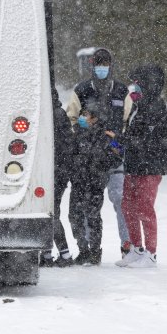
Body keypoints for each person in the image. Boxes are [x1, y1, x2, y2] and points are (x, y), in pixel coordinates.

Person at [65, 48, 131, 258]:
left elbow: (129, 122)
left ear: (111, 66)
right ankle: (88, 249)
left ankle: (127, 246)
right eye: (98, 64)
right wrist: (79, 128)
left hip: (114, 153)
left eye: (105, 64)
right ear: (92, 66)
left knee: (120, 199)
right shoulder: (82, 90)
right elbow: (70, 118)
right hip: (90, 156)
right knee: (87, 204)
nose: (102, 68)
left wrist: (118, 140)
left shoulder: (121, 91)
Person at [116, 64, 167, 269]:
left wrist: (122, 142)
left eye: (138, 84)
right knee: (127, 205)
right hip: (134, 165)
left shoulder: (156, 107)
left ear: (149, 84)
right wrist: (115, 142)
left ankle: (151, 254)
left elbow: (144, 140)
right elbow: (131, 136)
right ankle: (136, 248)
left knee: (144, 208)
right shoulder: (138, 107)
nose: (134, 88)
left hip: (150, 167)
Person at [66, 102, 124, 265]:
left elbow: (118, 155)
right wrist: (74, 166)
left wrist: (101, 165)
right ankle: (83, 250)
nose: (83, 117)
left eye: (87, 115)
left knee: (93, 217)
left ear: (95, 118)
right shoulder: (77, 133)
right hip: (78, 181)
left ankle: (95, 252)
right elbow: (69, 154)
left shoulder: (107, 136)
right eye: (82, 114)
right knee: (74, 216)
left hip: (95, 183)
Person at [42, 85, 80, 267]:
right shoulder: (58, 113)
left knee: (51, 213)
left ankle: (63, 255)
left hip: (54, 172)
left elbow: (57, 147)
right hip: (60, 171)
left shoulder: (51, 115)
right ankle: (49, 254)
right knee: (51, 212)